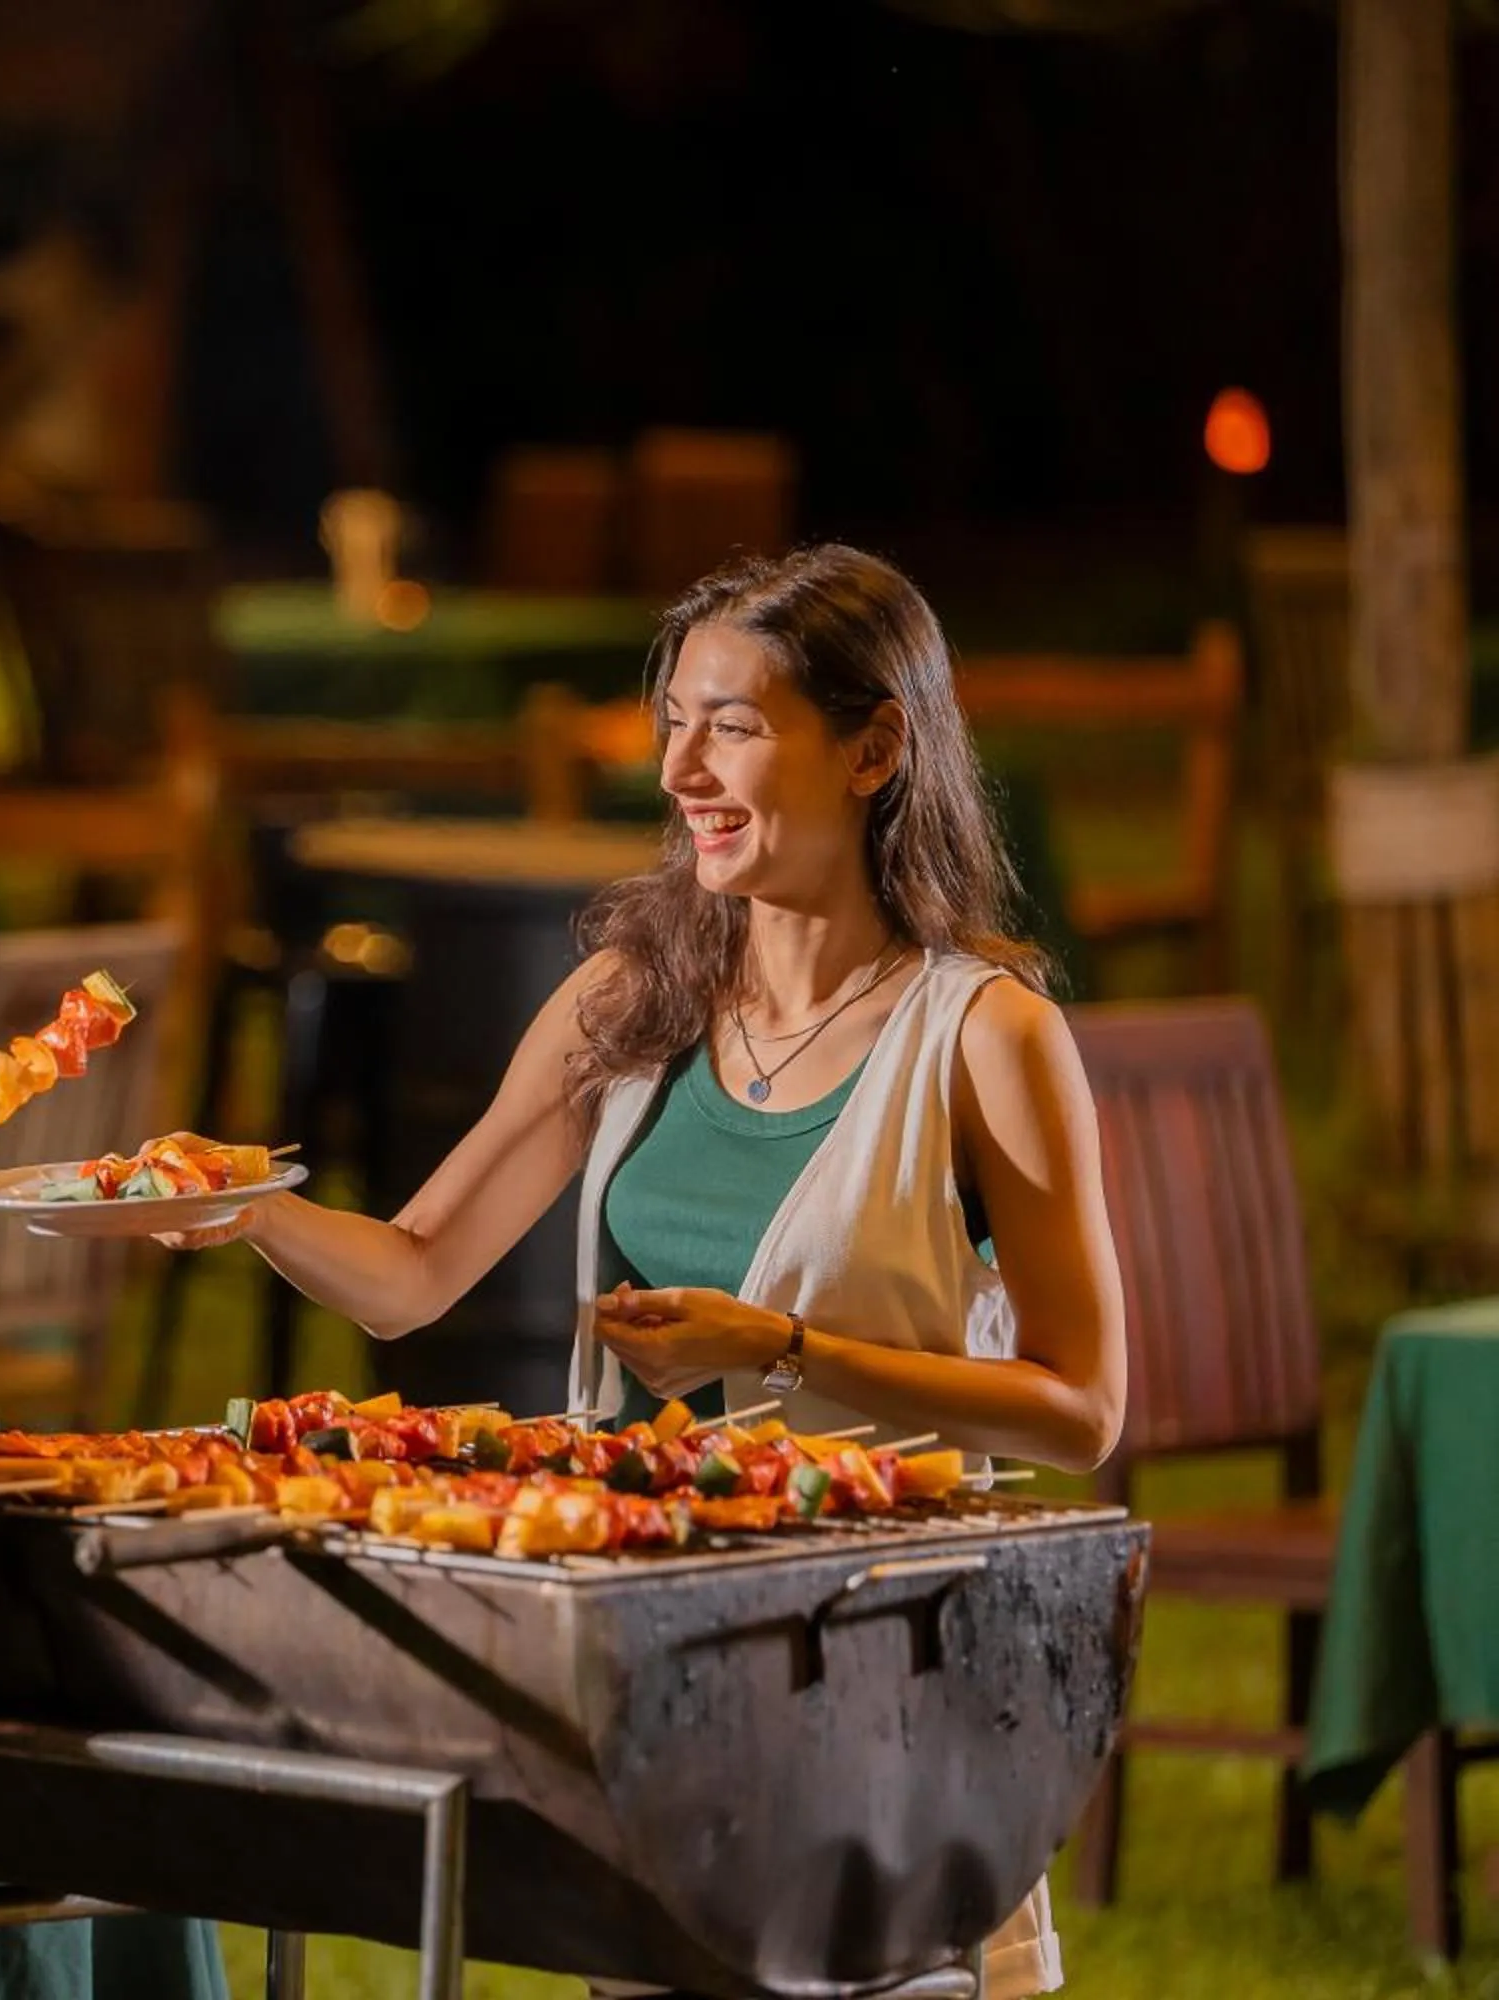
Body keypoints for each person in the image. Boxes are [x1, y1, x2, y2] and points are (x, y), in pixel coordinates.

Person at [163, 543, 1127, 1997]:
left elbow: (1080, 1406)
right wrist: (234, 1201)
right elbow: (417, 1269)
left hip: (877, 1675)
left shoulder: (983, 1038)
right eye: (675, 719)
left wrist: (782, 1351)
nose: (681, 766)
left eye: (733, 724)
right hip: (657, 1669)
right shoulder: (639, 994)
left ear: (875, 747)